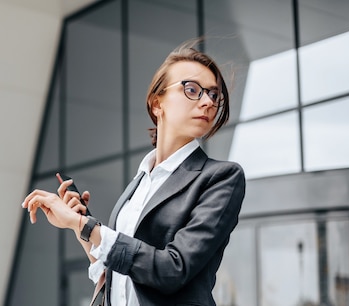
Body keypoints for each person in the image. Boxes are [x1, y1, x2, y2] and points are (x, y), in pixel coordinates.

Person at [22, 40, 246, 306]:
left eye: (213, 94)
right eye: (192, 89)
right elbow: (122, 276)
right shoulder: (139, 182)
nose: (208, 102)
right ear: (156, 103)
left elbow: (172, 270)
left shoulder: (221, 178)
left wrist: (85, 226)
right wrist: (80, 226)